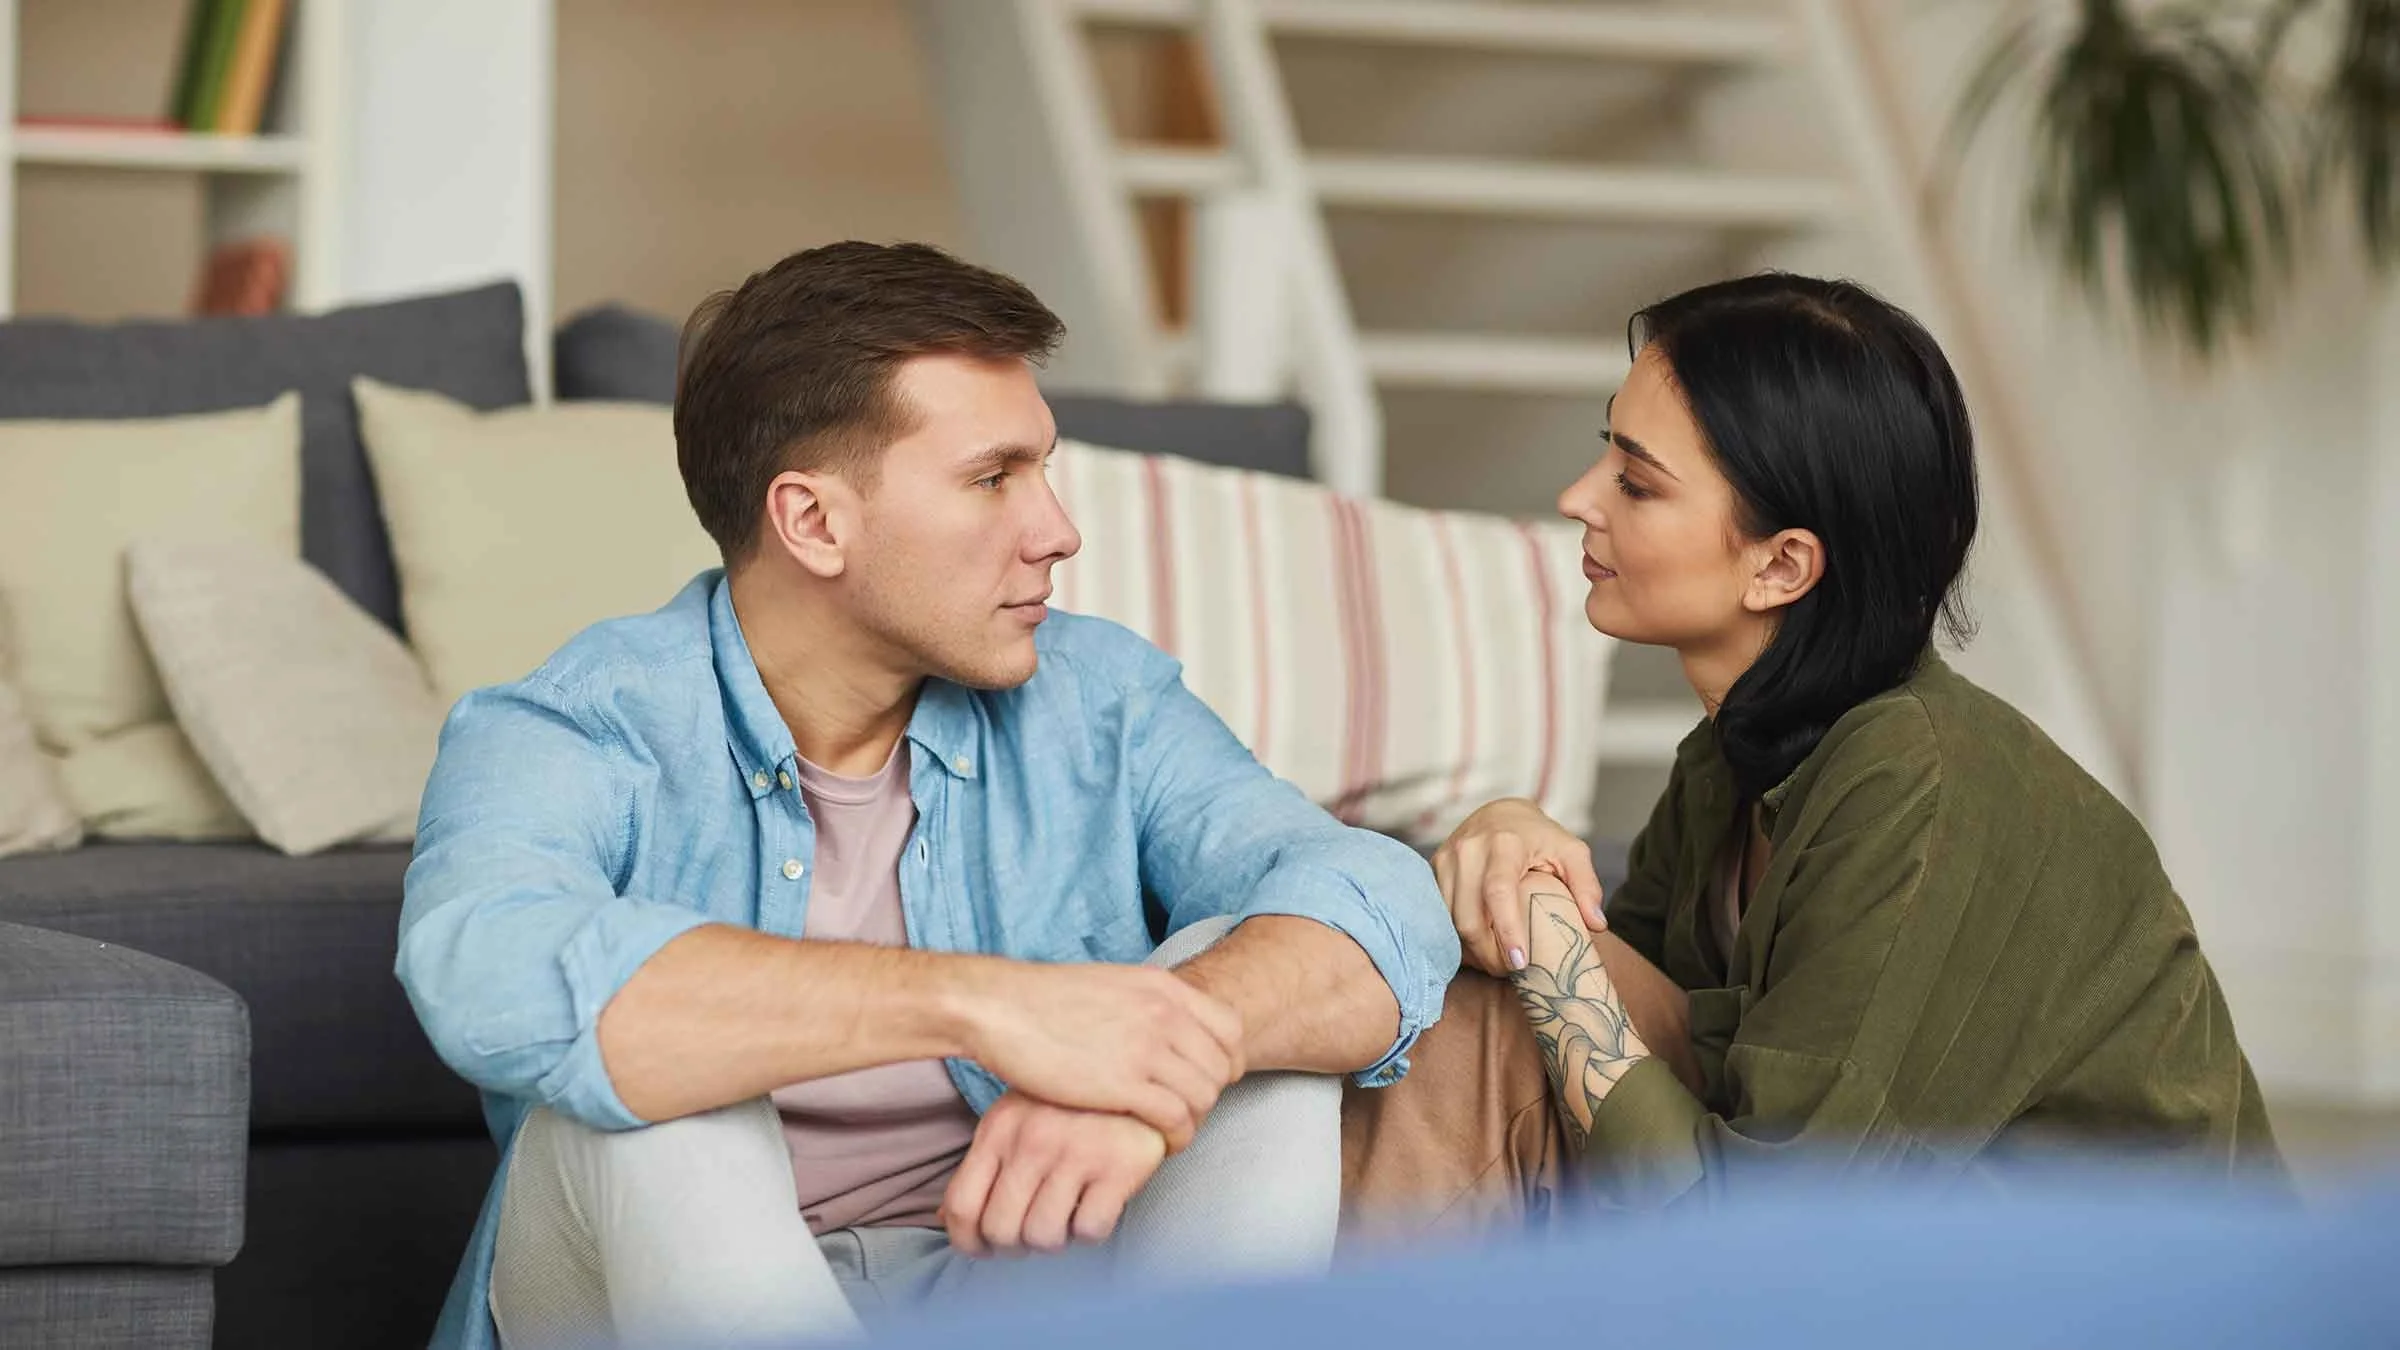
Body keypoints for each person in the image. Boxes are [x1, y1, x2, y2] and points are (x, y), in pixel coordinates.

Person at [397, 241, 1458, 1350]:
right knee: (667, 1094)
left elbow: (1372, 894)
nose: (1056, 531)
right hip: (651, 1298)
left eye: (1041, 473)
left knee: (1241, 1026)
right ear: (813, 522)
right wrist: (986, 1004)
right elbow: (481, 966)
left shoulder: (1101, 698)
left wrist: (1152, 1063)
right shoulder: (571, 724)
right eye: (993, 478)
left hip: (1019, 1287)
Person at [1341, 272, 2283, 1228]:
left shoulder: (1916, 783)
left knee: (1495, 1003)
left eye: (1636, 481)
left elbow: (1760, 1233)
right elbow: (1624, 1046)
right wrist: (1512, 839)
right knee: (1477, 1003)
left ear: (1781, 565)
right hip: (1886, 1262)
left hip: (2106, 1299)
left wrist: (1536, 931)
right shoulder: (1729, 760)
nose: (1579, 498)